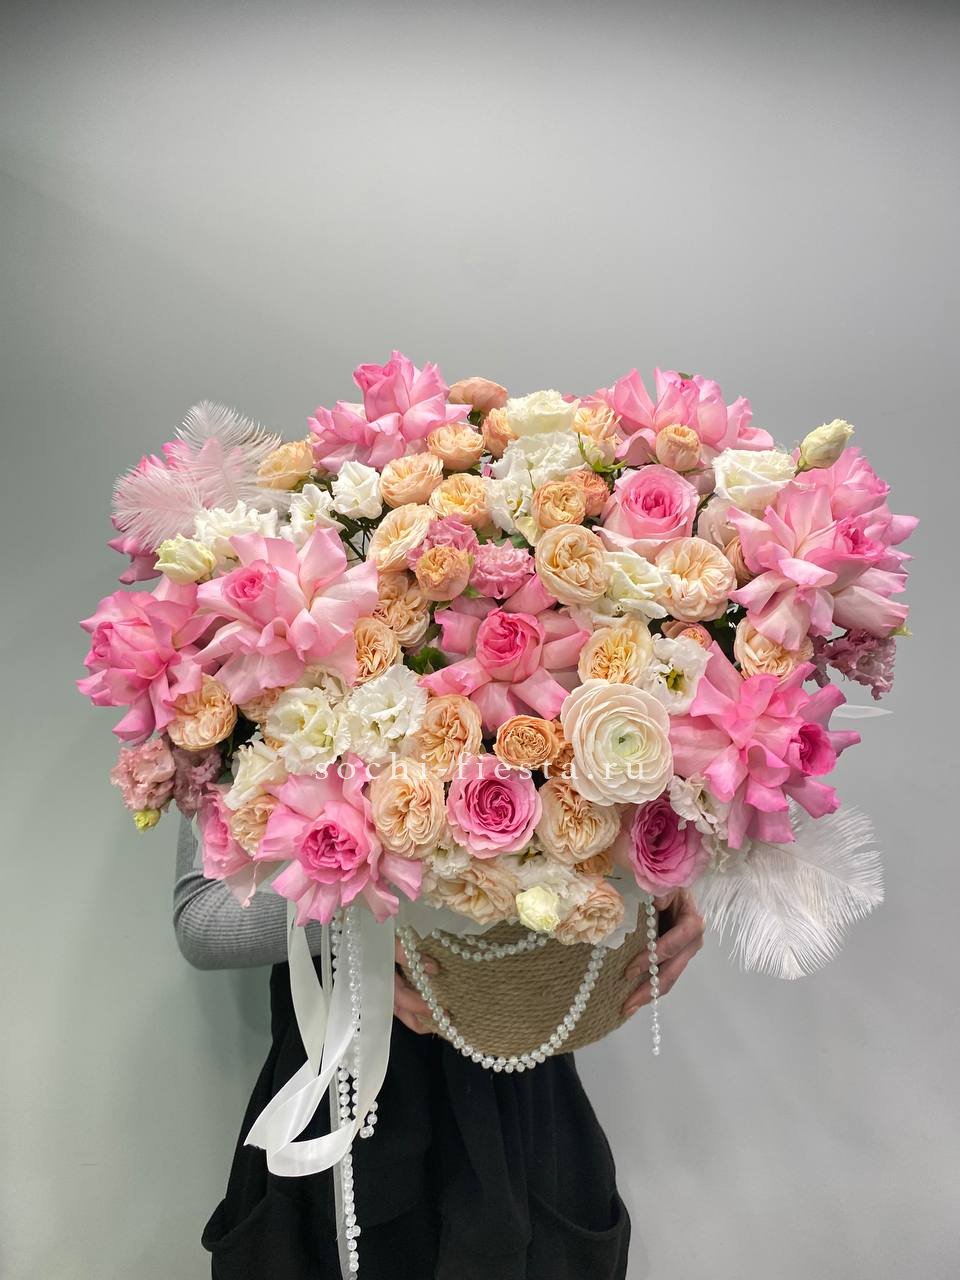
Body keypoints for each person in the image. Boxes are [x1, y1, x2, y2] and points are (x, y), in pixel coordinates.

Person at [174, 814, 705, 1280]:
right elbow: (202, 915)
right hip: (348, 1092)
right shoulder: (226, 729)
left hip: (520, 1080)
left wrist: (659, 886)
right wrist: (367, 925)